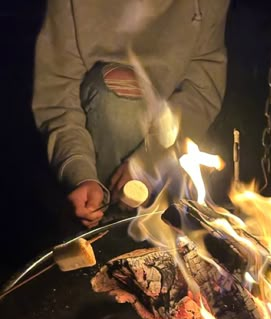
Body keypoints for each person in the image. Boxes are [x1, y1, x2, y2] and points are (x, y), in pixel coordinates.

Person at [33, 0, 230, 228]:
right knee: (120, 105)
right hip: (93, 124)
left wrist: (148, 161)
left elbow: (201, 90)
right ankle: (100, 224)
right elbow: (58, 96)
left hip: (171, 137)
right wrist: (80, 173)